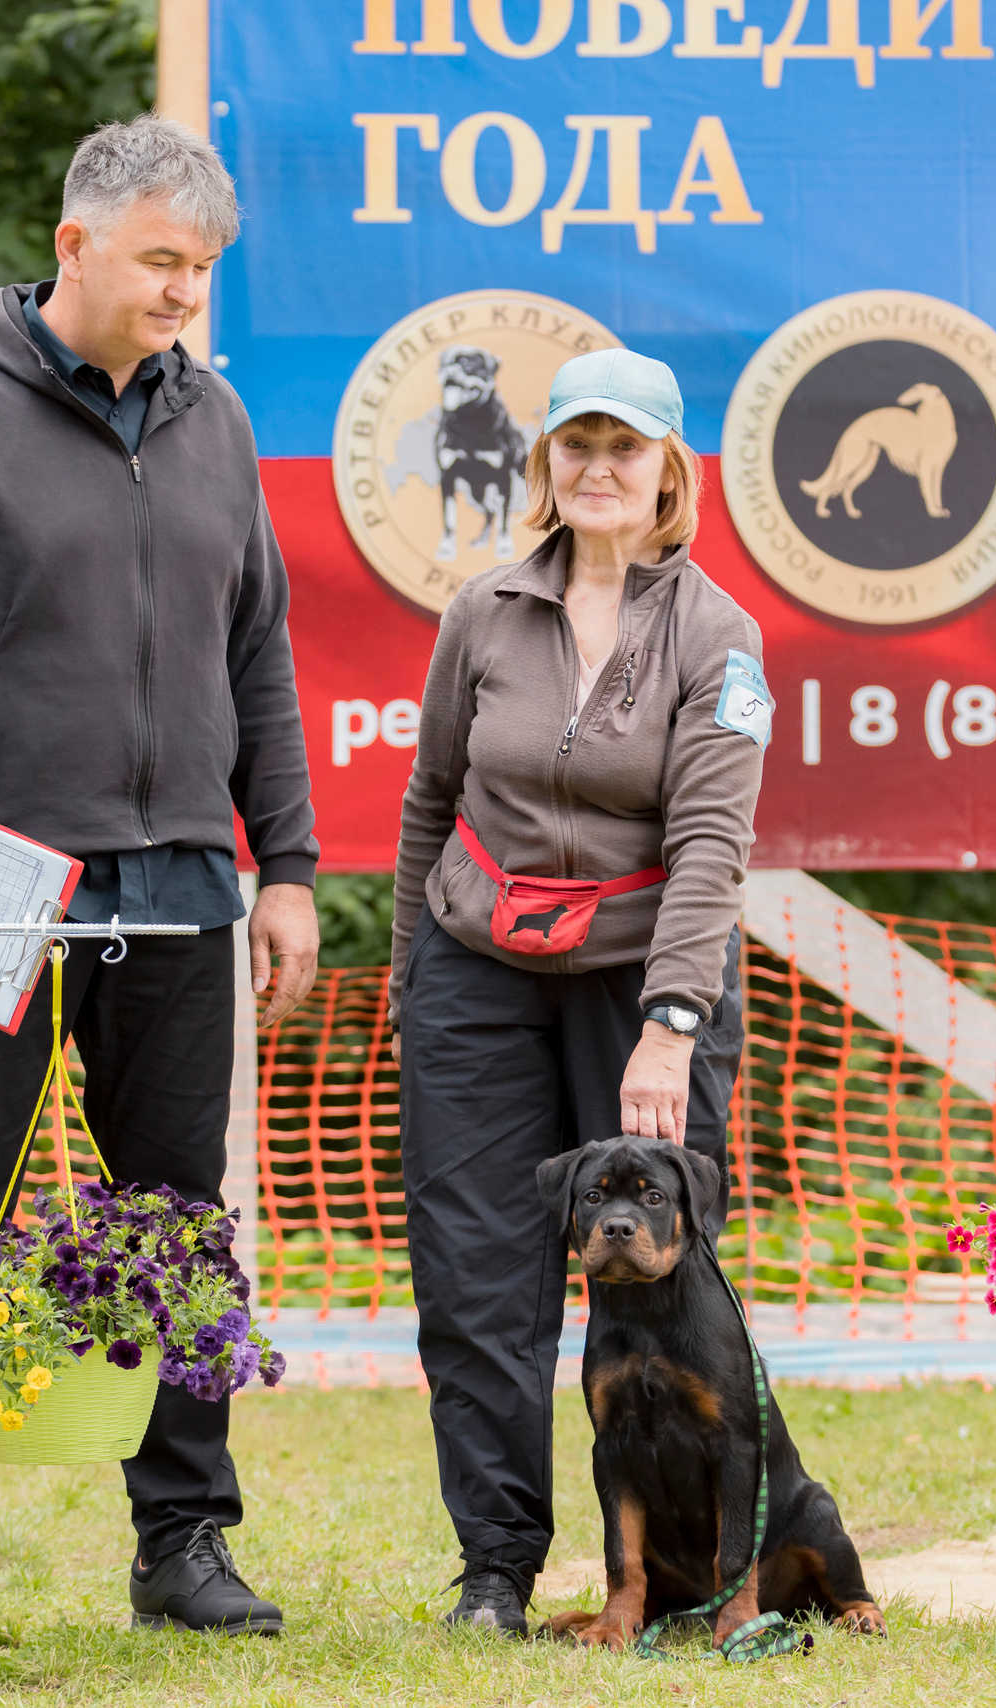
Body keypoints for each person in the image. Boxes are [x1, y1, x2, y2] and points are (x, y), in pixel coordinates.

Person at [0, 113, 318, 1636]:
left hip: (181, 892)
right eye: (161, 259)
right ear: (75, 245)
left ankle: (185, 1546)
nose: (184, 291)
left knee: (179, 1223)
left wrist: (287, 868)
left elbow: (258, 657)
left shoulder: (217, 424)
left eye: (204, 268)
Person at [388, 347, 772, 1636]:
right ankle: (495, 1569)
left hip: (645, 978)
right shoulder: (483, 610)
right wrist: (412, 974)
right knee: (476, 1273)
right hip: (475, 965)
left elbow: (712, 846)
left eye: (625, 446)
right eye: (576, 444)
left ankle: (694, 1575)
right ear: (546, 462)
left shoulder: (718, 635)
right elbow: (430, 800)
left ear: (670, 469)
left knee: (663, 1276)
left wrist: (672, 1028)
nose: (599, 467)